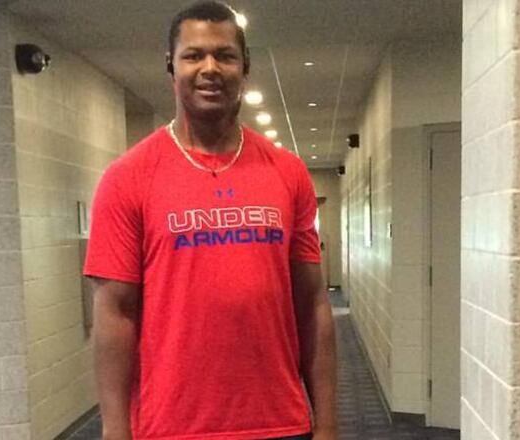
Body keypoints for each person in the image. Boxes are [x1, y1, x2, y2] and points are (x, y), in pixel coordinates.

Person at [83, 2, 338, 439]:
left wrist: (329, 425)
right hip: (172, 426)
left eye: (225, 55)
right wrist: (114, 429)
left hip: (278, 421)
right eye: (193, 55)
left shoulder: (287, 171)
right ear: (171, 65)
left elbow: (312, 304)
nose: (210, 68)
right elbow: (115, 313)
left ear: (245, 67)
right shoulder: (127, 177)